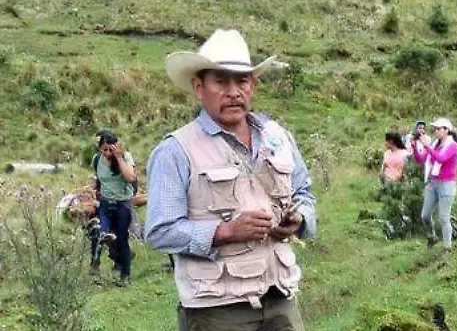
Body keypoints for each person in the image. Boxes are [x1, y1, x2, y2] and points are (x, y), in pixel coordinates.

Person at [147, 29, 316, 331]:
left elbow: (304, 191)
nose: (233, 91)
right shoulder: (175, 150)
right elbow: (160, 230)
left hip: (280, 300)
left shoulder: (278, 137)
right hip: (216, 310)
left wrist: (299, 218)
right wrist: (224, 232)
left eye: (242, 80)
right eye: (221, 81)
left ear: (254, 85)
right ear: (199, 88)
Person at [91, 129, 138, 285]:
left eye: (110, 149)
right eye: (104, 150)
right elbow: (98, 179)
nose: (107, 153)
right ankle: (94, 266)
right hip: (105, 202)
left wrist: (118, 157)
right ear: (100, 149)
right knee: (99, 233)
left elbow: (130, 177)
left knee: (121, 239)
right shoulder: (97, 159)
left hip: (122, 203)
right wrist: (94, 191)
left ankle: (125, 275)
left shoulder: (125, 157)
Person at [412, 118, 457, 249]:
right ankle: (431, 236)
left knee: (444, 216)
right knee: (425, 215)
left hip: (446, 184)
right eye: (435, 129)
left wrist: (426, 146)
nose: (436, 131)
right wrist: (414, 146)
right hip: (432, 182)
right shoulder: (435, 145)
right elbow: (420, 159)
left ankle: (447, 248)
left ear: (446, 130)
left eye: (438, 129)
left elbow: (441, 158)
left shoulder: (453, 146)